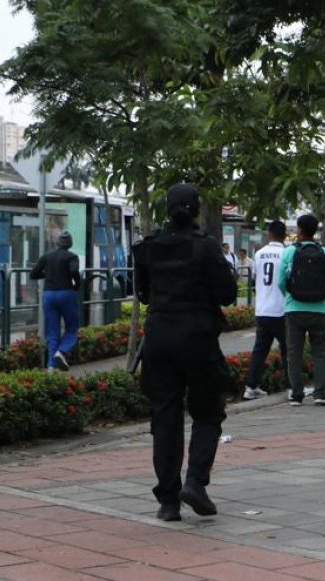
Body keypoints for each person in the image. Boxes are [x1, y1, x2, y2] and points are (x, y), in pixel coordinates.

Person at [133, 183, 237, 521]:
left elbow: (144, 295)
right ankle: (194, 482)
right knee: (208, 411)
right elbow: (227, 294)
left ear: (167, 210)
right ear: (196, 210)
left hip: (159, 338)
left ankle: (168, 501)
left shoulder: (147, 248)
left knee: (165, 417)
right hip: (198, 338)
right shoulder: (205, 247)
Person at [277, 213, 325, 406]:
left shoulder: (289, 252)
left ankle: (296, 394)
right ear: (316, 231)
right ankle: (320, 393)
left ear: (300, 230)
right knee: (320, 352)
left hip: (294, 310)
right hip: (320, 310)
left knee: (294, 353)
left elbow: (280, 281)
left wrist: (290, 295)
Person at [243, 220, 288, 400]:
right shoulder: (286, 253)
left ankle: (251, 387)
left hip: (262, 310)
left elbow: (255, 279)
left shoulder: (259, 254)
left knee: (260, 350)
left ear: (268, 234)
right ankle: (293, 386)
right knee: (289, 349)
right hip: (281, 309)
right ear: (284, 235)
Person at [30, 230, 81, 372]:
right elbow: (74, 272)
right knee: (72, 327)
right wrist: (77, 284)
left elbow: (33, 274)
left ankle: (51, 368)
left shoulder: (47, 256)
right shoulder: (72, 256)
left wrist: (47, 273)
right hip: (66, 293)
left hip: (49, 295)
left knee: (52, 331)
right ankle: (62, 351)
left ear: (57, 243)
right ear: (70, 244)